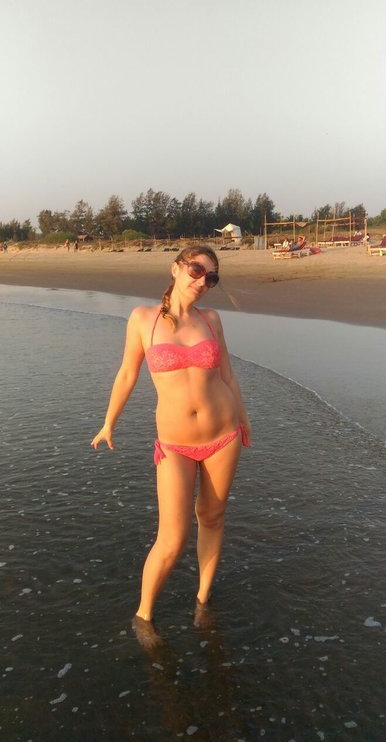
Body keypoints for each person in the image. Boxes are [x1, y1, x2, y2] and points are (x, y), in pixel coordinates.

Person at [91, 245, 251, 647]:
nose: (202, 281)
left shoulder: (211, 320)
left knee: (212, 517)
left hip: (223, 434)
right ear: (176, 268)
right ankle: (144, 615)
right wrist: (109, 422)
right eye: (196, 270)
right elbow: (127, 372)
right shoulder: (143, 319)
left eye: (211, 277)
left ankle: (202, 600)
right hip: (175, 444)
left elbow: (228, 376)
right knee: (173, 537)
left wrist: (245, 420)